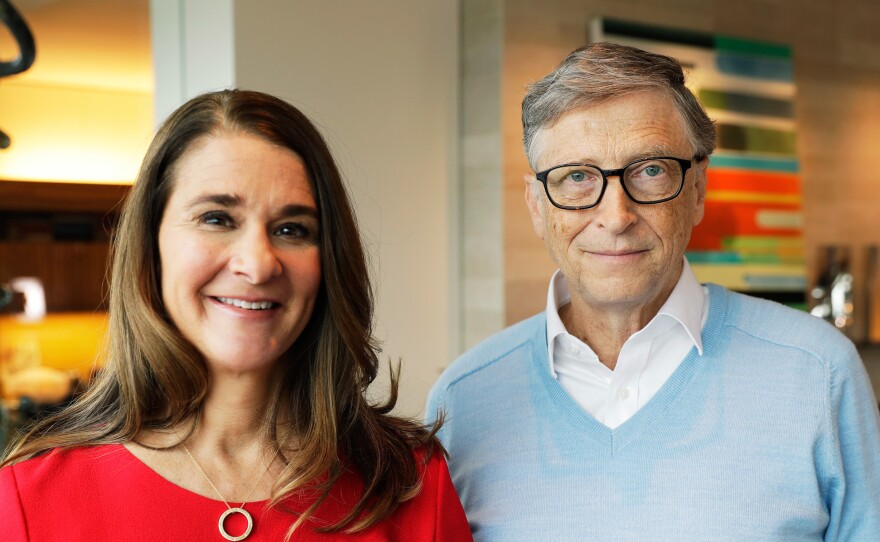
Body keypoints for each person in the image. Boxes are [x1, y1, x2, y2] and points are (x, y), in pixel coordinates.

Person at [427, 42, 880, 541]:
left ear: (698, 190)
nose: (616, 217)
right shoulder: (463, 401)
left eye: (650, 170)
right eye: (577, 177)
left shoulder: (818, 374)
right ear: (537, 207)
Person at [1, 89, 472, 541]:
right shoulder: (28, 496)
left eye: (291, 229)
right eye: (216, 219)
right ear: (151, 244)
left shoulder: (408, 484)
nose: (259, 263)